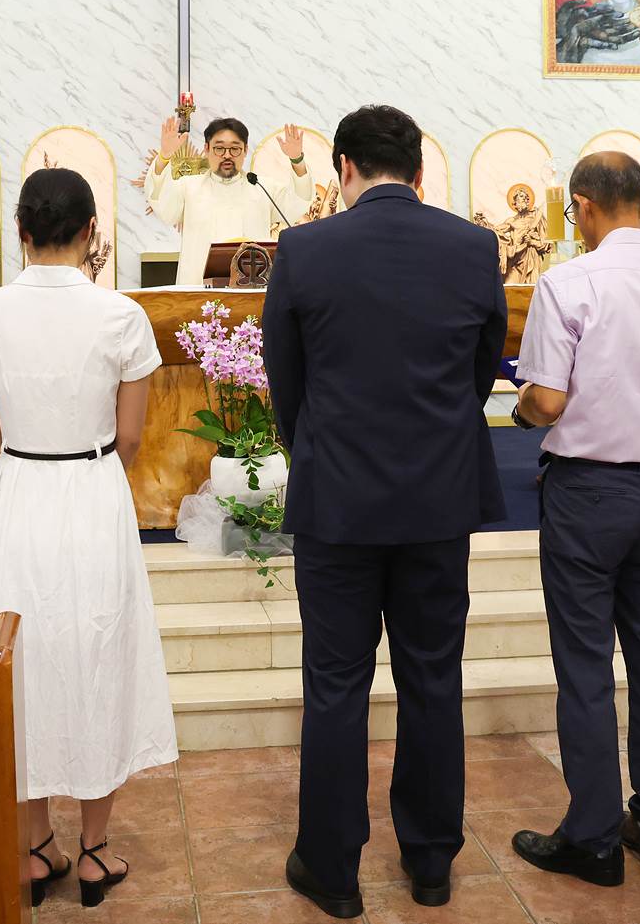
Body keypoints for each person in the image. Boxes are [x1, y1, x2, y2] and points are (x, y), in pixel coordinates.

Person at [262, 105, 508, 918]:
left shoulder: (305, 248)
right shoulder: (472, 247)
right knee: (433, 675)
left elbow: (285, 379)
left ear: (343, 167)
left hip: (337, 499)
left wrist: (317, 448)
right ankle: (431, 861)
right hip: (437, 497)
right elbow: (480, 369)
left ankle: (332, 869)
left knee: (336, 683)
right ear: (419, 170)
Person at [507, 151, 640, 888]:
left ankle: (595, 838)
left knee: (585, 664)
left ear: (582, 206)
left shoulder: (569, 282)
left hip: (587, 495)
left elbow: (547, 401)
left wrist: (521, 409)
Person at [0, 168, 177, 911]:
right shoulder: (120, 315)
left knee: (17, 658)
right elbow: (131, 436)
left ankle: (33, 847)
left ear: (21, 232)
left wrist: (31, 457)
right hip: (92, 490)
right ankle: (93, 849)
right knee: (98, 650)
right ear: (91, 231)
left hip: (19, 489)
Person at [147, 115, 313, 285]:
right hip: (198, 289)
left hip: (250, 288)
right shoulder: (189, 187)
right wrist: (164, 156)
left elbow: (297, 202)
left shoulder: (261, 187)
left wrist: (297, 160)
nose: (227, 155)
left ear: (245, 150)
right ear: (207, 149)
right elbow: (164, 207)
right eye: (219, 148)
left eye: (235, 149)